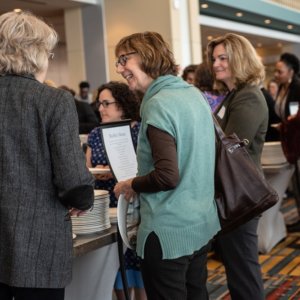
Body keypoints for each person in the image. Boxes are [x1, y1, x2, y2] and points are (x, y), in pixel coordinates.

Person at [113, 31, 220, 300]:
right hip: (200, 222)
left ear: (148, 56)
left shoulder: (159, 103)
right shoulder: (193, 94)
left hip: (168, 231)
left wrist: (131, 184)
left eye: (124, 59)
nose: (120, 68)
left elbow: (167, 176)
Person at [0, 11, 94, 300]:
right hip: (38, 243)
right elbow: (72, 178)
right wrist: (82, 199)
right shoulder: (53, 100)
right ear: (36, 52)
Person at [207, 33, 267, 300]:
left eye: (223, 58)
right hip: (231, 193)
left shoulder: (249, 97)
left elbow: (230, 150)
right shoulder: (233, 95)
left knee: (243, 269)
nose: (216, 64)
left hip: (241, 194)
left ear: (239, 59)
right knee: (237, 267)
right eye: (214, 58)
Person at [85, 81, 146, 300]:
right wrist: (95, 172)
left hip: (132, 206)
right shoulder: (96, 133)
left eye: (106, 103)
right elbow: (86, 167)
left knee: (137, 264)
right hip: (104, 207)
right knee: (112, 266)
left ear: (122, 105)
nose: (100, 109)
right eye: (99, 104)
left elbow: (148, 170)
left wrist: (119, 173)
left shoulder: (140, 131)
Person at [274, 52, 300, 231]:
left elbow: (297, 117)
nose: (276, 75)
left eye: (280, 72)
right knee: (296, 183)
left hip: (297, 139)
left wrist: (285, 125)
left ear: (291, 72)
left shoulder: (297, 87)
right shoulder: (283, 88)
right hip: (289, 139)